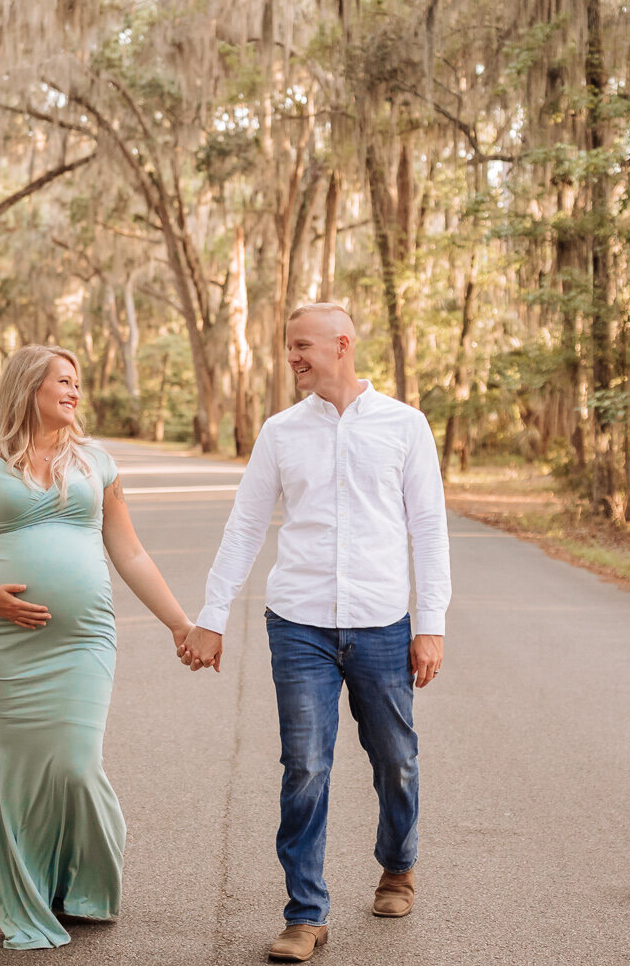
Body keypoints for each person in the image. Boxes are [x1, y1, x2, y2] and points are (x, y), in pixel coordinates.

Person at [183, 302, 451, 964]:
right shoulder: (280, 432)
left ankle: (398, 863)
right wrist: (211, 616)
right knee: (305, 766)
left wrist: (431, 625)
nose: (293, 356)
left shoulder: (405, 425)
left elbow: (429, 529)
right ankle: (306, 913)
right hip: (299, 621)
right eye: (289, 347)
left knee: (397, 757)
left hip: (383, 623)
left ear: (342, 343)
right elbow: (246, 526)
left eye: (302, 345)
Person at [0, 344, 198, 950]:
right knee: (22, 773)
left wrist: (179, 624)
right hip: (5, 642)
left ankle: (85, 886)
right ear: (29, 387)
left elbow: (129, 553)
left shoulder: (98, 464)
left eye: (78, 383)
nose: (75, 392)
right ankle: (31, 898)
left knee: (77, 764)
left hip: (83, 639)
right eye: (64, 381)